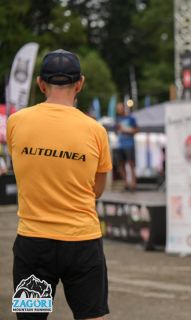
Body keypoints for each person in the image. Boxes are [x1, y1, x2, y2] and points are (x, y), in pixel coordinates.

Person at [7, 49, 112, 320]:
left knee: (31, 317)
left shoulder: (16, 122)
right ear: (80, 83)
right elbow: (97, 190)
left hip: (33, 242)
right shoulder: (95, 130)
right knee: (91, 316)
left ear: (41, 83)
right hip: (82, 242)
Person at [115, 102, 138, 191]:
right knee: (121, 165)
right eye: (118, 109)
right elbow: (117, 131)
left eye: (120, 108)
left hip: (129, 144)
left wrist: (126, 130)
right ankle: (126, 183)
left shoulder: (131, 118)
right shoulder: (117, 119)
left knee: (131, 165)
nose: (119, 110)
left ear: (124, 108)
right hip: (120, 145)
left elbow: (136, 130)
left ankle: (133, 183)